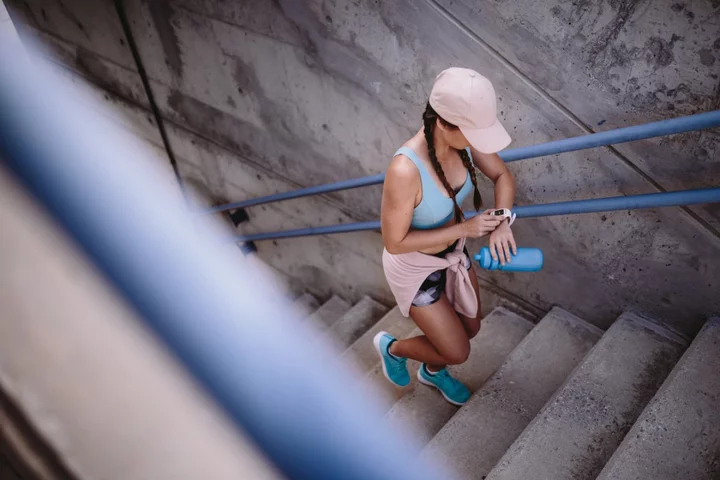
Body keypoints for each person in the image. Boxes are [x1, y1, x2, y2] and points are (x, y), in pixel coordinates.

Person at [374, 67, 517, 406]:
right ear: (443, 123)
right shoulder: (405, 170)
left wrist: (503, 221)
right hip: (415, 269)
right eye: (472, 133)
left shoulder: (464, 142)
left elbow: (502, 176)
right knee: (458, 350)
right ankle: (392, 348)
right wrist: (464, 229)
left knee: (470, 328)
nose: (478, 143)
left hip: (453, 253)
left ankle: (432, 371)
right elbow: (394, 242)